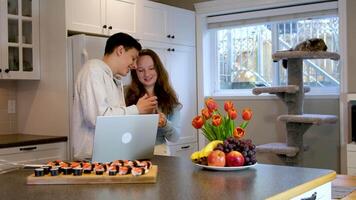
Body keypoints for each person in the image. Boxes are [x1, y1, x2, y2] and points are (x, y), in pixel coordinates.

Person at [72, 33, 158, 160]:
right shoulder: (93, 70)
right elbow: (98, 118)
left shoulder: (113, 79)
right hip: (92, 159)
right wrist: (137, 109)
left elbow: (117, 122)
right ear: (120, 50)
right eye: (133, 58)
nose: (134, 65)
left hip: (108, 156)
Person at [125, 49, 182, 155]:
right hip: (130, 151)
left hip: (160, 152)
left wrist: (165, 124)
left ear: (158, 69)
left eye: (151, 68)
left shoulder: (169, 98)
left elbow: (175, 137)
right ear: (135, 72)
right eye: (141, 70)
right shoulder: (125, 94)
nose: (147, 74)